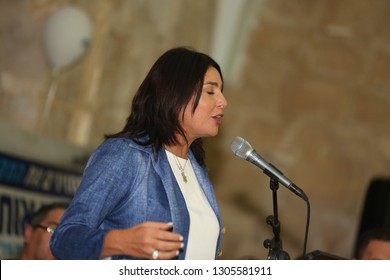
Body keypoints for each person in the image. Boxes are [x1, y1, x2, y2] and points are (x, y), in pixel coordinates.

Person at [50, 47, 228, 260]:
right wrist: (121, 241)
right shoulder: (126, 155)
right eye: (211, 91)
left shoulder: (197, 170)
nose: (223, 101)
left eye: (221, 91)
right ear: (176, 93)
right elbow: (65, 238)